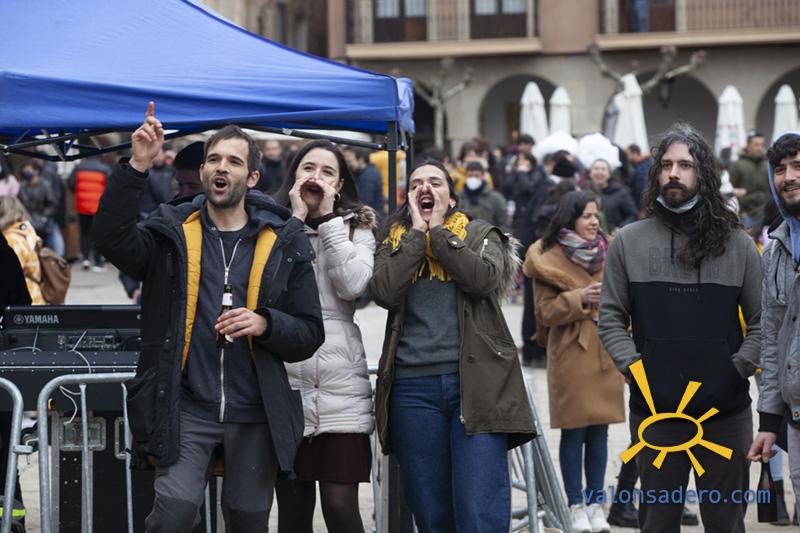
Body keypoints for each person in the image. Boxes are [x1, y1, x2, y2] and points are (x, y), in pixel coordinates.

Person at [93, 103, 325, 533]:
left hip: (255, 412)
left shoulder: (282, 241)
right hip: (186, 408)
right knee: (174, 513)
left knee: (247, 519)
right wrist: (137, 165)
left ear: (252, 177)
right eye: (214, 160)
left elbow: (311, 332)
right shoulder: (171, 233)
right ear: (202, 173)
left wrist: (266, 323)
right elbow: (110, 239)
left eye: (234, 161)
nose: (222, 167)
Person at [598, 123, 762, 532]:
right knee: (657, 523)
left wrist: (735, 370)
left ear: (703, 173)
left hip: (725, 413)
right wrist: (636, 370)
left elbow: (765, 323)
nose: (674, 173)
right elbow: (611, 317)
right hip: (655, 412)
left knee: (726, 523)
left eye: (685, 165)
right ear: (655, 172)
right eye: (667, 165)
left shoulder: (738, 244)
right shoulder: (628, 242)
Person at [368, 158, 536, 532]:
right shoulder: (394, 241)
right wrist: (417, 234)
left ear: (452, 197)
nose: (425, 188)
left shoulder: (480, 235)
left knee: (479, 509)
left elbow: (482, 280)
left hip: (477, 385)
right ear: (407, 199)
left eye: (435, 182)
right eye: (416, 184)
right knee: (431, 513)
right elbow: (384, 292)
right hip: (412, 390)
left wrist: (440, 234)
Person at [271, 140, 376, 532]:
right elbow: (267, 288)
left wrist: (330, 221)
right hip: (288, 383)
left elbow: (354, 286)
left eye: (328, 171)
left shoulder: (357, 227)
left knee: (340, 507)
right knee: (293, 511)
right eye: (308, 168)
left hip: (341, 388)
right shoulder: (271, 223)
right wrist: (294, 223)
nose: (316, 177)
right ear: (294, 175)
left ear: (339, 184)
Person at [524, 190, 624, 533]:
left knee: (600, 431)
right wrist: (578, 297)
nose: (594, 222)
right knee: (574, 431)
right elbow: (544, 313)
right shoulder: (546, 257)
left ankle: (596, 505)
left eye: (596, 215)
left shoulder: (610, 251)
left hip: (605, 350)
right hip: (570, 351)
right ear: (570, 219)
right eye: (587, 216)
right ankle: (575, 505)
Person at [748, 132, 800, 524]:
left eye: (798, 166)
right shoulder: (777, 251)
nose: (789, 176)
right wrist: (769, 422)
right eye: (780, 169)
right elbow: (771, 341)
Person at [0, 232, 30, 529]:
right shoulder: (5, 253)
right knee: (5, 459)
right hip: (4, 369)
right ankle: (10, 519)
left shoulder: (5, 254)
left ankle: (11, 518)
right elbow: (22, 311)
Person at [68, 154, 111, 271]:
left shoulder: (79, 167)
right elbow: (110, 187)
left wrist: (79, 192)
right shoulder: (104, 169)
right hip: (98, 207)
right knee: (98, 233)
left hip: (82, 206)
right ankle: (97, 262)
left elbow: (71, 183)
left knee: (84, 232)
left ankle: (86, 259)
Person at [0, 196, 45, 304]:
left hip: (24, 301)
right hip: (36, 294)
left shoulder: (12, 239)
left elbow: (11, 274)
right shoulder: (27, 233)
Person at [729, 131, 770, 227]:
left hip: (766, 212)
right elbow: (730, 191)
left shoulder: (767, 165)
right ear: (748, 145)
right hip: (746, 214)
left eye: (761, 145)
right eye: (756, 145)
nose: (759, 148)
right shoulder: (737, 165)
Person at [587, 159, 638, 233]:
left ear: (609, 174)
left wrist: (620, 229)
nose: (599, 172)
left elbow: (633, 215)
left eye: (603, 169)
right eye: (596, 169)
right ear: (590, 173)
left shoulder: (620, 193)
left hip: (613, 236)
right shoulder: (584, 193)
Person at [457, 161, 509, 232]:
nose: (473, 179)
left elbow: (504, 225)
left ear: (483, 176)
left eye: (476, 176)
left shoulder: (496, 198)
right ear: (466, 177)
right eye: (470, 176)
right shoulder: (458, 198)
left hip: (489, 237)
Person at [17, 159, 57, 243]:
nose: (26, 173)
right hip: (28, 222)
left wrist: (44, 217)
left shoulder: (45, 185)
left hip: (43, 222)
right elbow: (20, 204)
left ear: (36, 171)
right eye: (24, 172)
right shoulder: (22, 187)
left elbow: (52, 203)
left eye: (28, 171)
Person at [343, 146, 385, 218]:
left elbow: (364, 201)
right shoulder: (365, 172)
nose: (347, 164)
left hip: (371, 218)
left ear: (360, 160)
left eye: (349, 161)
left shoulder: (368, 176)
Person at [626, 144, 652, 209]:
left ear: (634, 153)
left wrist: (641, 209)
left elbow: (640, 190)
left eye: (627, 154)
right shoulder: (639, 165)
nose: (626, 157)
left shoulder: (641, 169)